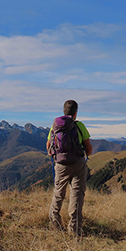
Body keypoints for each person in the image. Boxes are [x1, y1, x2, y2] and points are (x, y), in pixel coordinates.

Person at [47, 99, 93, 236]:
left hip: (60, 165)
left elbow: (49, 147)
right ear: (75, 113)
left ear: (64, 111)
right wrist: (83, 154)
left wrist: (56, 155)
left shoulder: (55, 126)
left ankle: (55, 223)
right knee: (77, 196)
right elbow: (89, 149)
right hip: (78, 164)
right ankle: (74, 229)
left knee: (58, 194)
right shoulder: (79, 126)